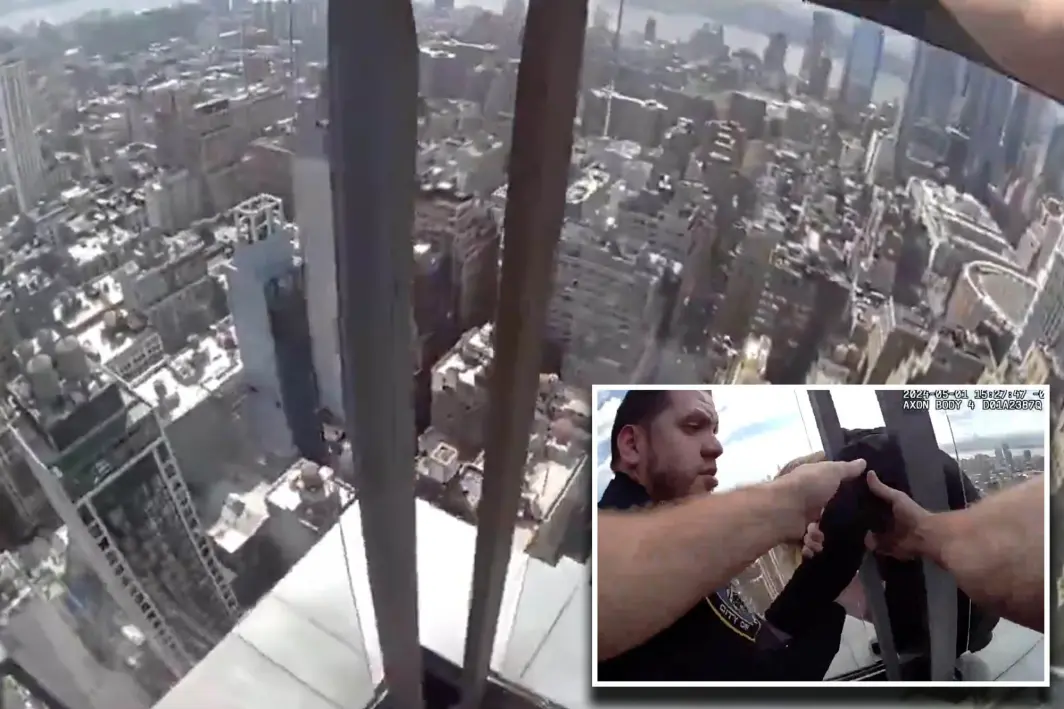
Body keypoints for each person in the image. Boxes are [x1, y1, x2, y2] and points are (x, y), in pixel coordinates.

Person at [596, 389, 867, 681]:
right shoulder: (614, 545)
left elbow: (752, 660)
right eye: (692, 427)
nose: (715, 446)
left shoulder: (679, 552)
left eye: (714, 430)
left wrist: (829, 576)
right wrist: (792, 504)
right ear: (632, 445)